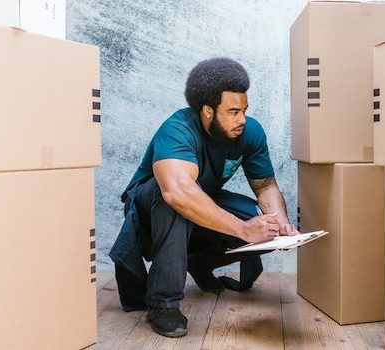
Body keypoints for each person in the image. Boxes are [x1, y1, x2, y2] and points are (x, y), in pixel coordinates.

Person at [108, 57, 299, 338]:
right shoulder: (178, 128)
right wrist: (243, 230)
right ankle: (163, 302)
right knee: (174, 200)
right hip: (152, 211)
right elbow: (178, 192)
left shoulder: (250, 132)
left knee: (264, 223)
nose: (242, 119)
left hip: (197, 202)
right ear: (207, 111)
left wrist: (281, 225)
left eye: (245, 109)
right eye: (233, 111)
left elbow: (266, 185)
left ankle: (200, 262)